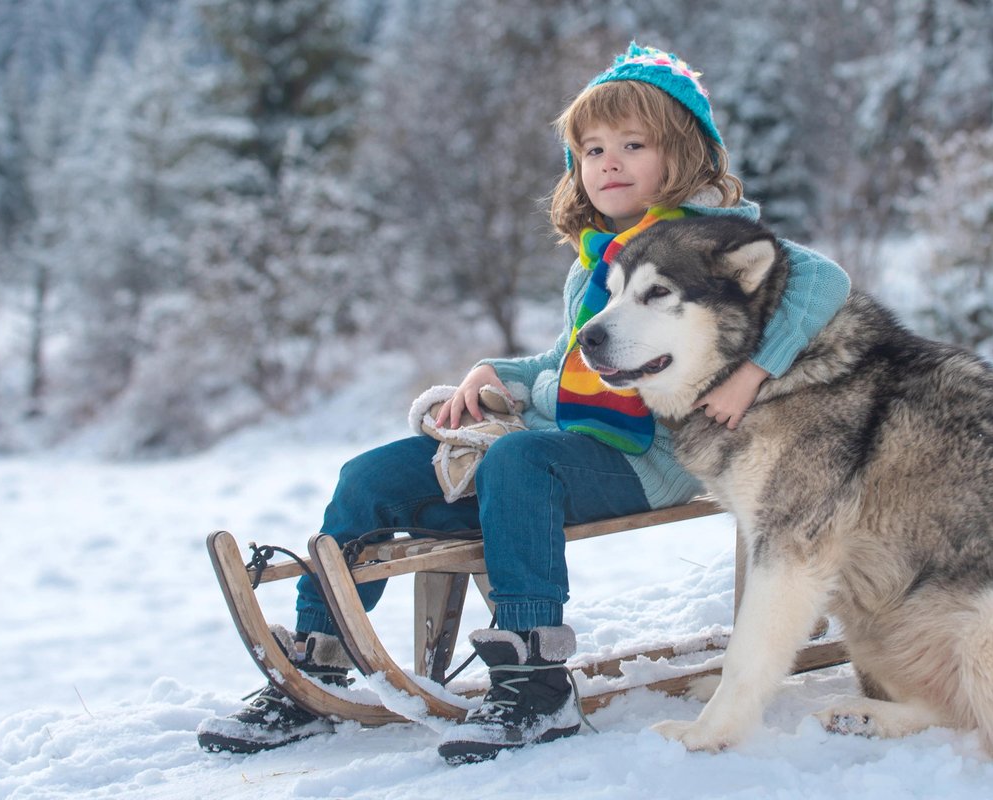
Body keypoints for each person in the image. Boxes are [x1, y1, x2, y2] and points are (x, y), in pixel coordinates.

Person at [196, 42, 851, 764]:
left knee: (520, 460)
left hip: (652, 454)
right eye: (593, 148)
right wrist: (495, 373)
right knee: (371, 478)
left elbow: (821, 278)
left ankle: (536, 682)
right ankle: (313, 668)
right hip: (563, 446)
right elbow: (567, 363)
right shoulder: (601, 260)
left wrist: (751, 372)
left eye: (634, 145)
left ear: (685, 155)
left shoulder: (699, 240)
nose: (609, 162)